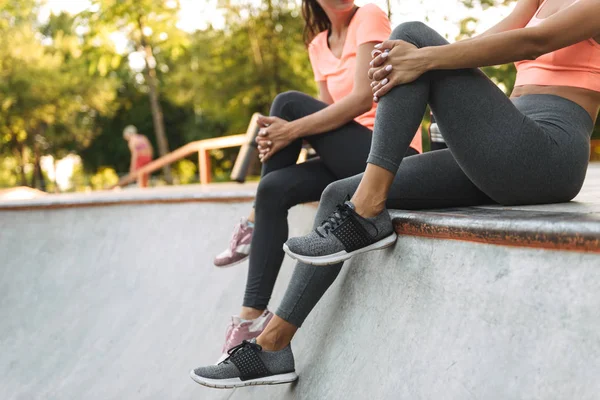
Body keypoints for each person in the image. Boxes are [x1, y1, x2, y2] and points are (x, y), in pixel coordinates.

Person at [190, 0, 600, 388]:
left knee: (412, 36)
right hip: (502, 145)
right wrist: (412, 59)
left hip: (547, 155)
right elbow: (475, 47)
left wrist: (422, 58)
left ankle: (368, 209)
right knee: (337, 194)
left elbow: (535, 41)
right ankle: (273, 346)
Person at [208, 0, 422, 364]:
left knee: (287, 104)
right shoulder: (317, 44)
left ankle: (254, 223)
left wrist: (289, 130)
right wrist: (285, 138)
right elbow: (325, 112)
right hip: (350, 158)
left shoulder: (369, 16)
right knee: (272, 188)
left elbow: (360, 99)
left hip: (389, 152)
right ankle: (251, 316)